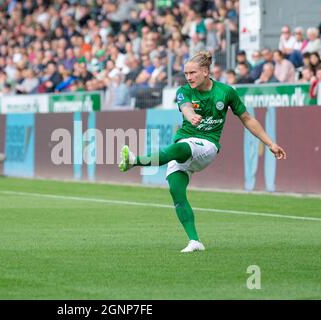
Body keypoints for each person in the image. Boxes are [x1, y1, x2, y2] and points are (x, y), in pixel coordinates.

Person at [119, 51, 286, 253]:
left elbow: (247, 118)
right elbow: (186, 107)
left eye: (192, 72)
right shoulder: (184, 90)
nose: (188, 77)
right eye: (186, 73)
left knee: (180, 148)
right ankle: (194, 241)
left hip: (207, 146)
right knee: (176, 191)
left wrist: (270, 143)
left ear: (206, 71)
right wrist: (190, 116)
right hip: (185, 142)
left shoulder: (226, 92)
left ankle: (134, 160)